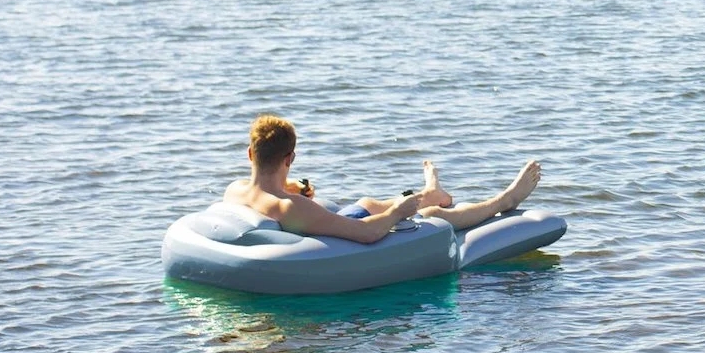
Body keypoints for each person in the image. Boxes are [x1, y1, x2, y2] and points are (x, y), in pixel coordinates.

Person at [223, 114, 542, 244]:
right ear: (290, 158)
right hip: (344, 230)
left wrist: (291, 187)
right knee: (429, 216)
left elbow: (269, 191)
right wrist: (398, 212)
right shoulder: (290, 207)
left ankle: (432, 191)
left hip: (324, 215)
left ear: (251, 154)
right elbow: (367, 233)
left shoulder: (235, 190)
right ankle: (504, 200)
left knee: (366, 203)